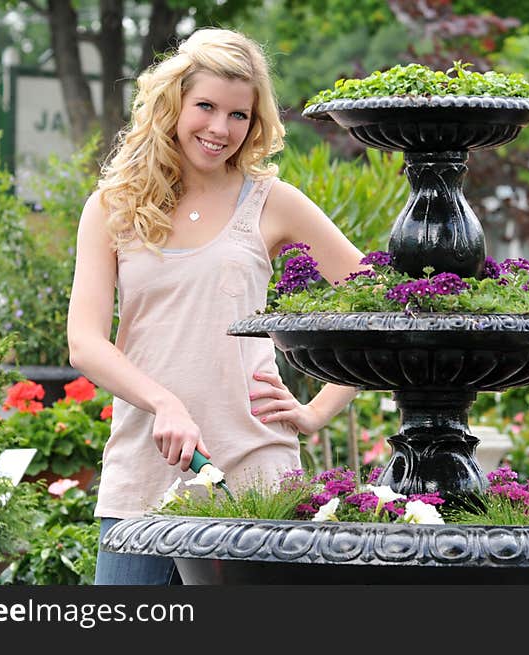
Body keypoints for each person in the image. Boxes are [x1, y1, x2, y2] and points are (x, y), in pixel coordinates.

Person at [67, 27, 367, 585]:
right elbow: (85, 343)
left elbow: (386, 307)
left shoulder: (273, 201)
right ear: (172, 103)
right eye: (205, 106)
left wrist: (317, 411)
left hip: (256, 470)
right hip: (143, 473)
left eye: (239, 116)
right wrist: (164, 404)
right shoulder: (113, 206)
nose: (220, 129)